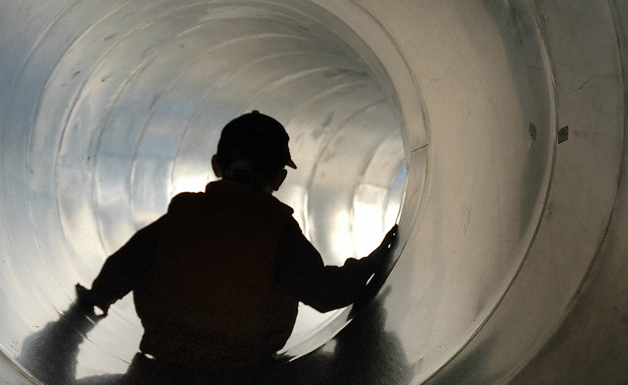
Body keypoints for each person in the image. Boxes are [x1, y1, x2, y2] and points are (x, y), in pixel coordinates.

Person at [75, 110, 398, 371]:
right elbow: (324, 292)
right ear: (279, 178)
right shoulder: (275, 229)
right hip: (242, 367)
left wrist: (95, 299)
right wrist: (372, 263)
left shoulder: (182, 214)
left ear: (217, 165)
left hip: (165, 355)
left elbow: (125, 264)